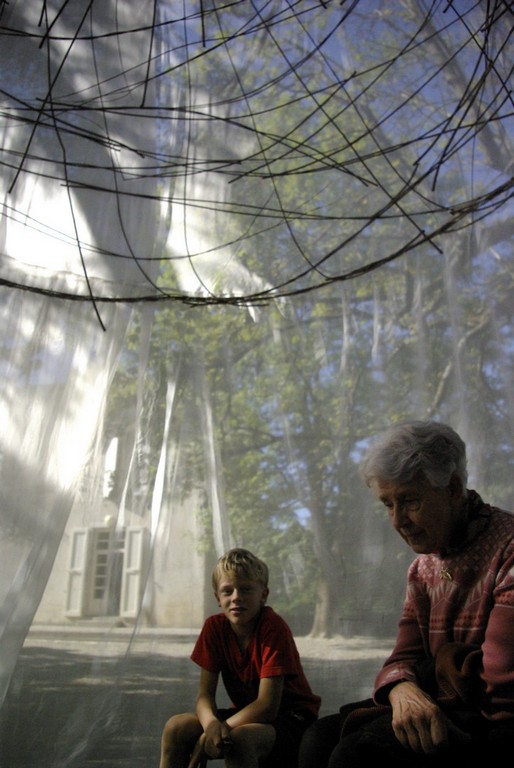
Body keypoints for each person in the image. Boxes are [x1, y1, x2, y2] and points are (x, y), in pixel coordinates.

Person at [299, 419, 514, 768]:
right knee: (316, 738)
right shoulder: (422, 570)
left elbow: (500, 687)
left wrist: (427, 677)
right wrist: (403, 690)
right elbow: (402, 659)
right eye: (388, 504)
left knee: (355, 755)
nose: (398, 520)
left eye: (409, 500)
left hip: (494, 725)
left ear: (453, 488)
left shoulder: (509, 549)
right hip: (447, 701)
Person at [159, 547, 321, 768]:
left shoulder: (273, 628)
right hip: (247, 713)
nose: (236, 598)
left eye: (246, 589)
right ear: (218, 598)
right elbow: (204, 696)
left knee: (239, 740)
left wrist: (221, 729)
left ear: (263, 595)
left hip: (292, 718)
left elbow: (267, 706)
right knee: (176, 727)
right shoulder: (214, 628)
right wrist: (211, 726)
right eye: (228, 591)